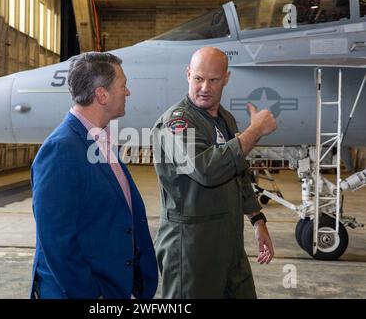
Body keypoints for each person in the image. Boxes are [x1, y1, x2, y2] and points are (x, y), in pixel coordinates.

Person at [30, 52, 158, 299]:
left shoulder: (100, 139)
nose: (128, 92)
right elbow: (57, 242)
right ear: (102, 94)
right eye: (123, 85)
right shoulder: (61, 149)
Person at [152, 47, 276, 298]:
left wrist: (257, 219)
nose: (205, 87)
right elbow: (206, 169)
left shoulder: (225, 120)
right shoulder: (178, 122)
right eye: (198, 78)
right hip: (191, 248)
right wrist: (254, 132)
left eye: (213, 80)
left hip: (228, 244)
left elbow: (238, 172)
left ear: (226, 78)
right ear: (188, 75)